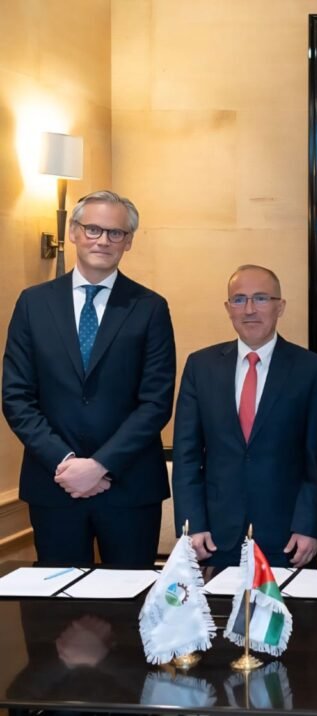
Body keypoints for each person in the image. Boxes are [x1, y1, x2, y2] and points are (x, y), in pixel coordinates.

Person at [2, 190, 175, 566]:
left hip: (129, 487)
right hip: (54, 484)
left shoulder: (150, 308)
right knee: (59, 598)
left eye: (116, 233)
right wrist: (65, 462)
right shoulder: (33, 303)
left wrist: (99, 465)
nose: (103, 240)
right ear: (73, 232)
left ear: (128, 241)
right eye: (93, 229)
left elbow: (156, 402)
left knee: (131, 598)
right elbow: (16, 396)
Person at [172, 265, 317, 568]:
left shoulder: (312, 369)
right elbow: (186, 454)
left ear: (280, 306)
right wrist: (192, 524)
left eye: (261, 298)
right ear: (228, 308)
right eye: (239, 299)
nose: (250, 309)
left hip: (289, 537)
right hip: (214, 536)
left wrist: (309, 524)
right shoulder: (201, 366)